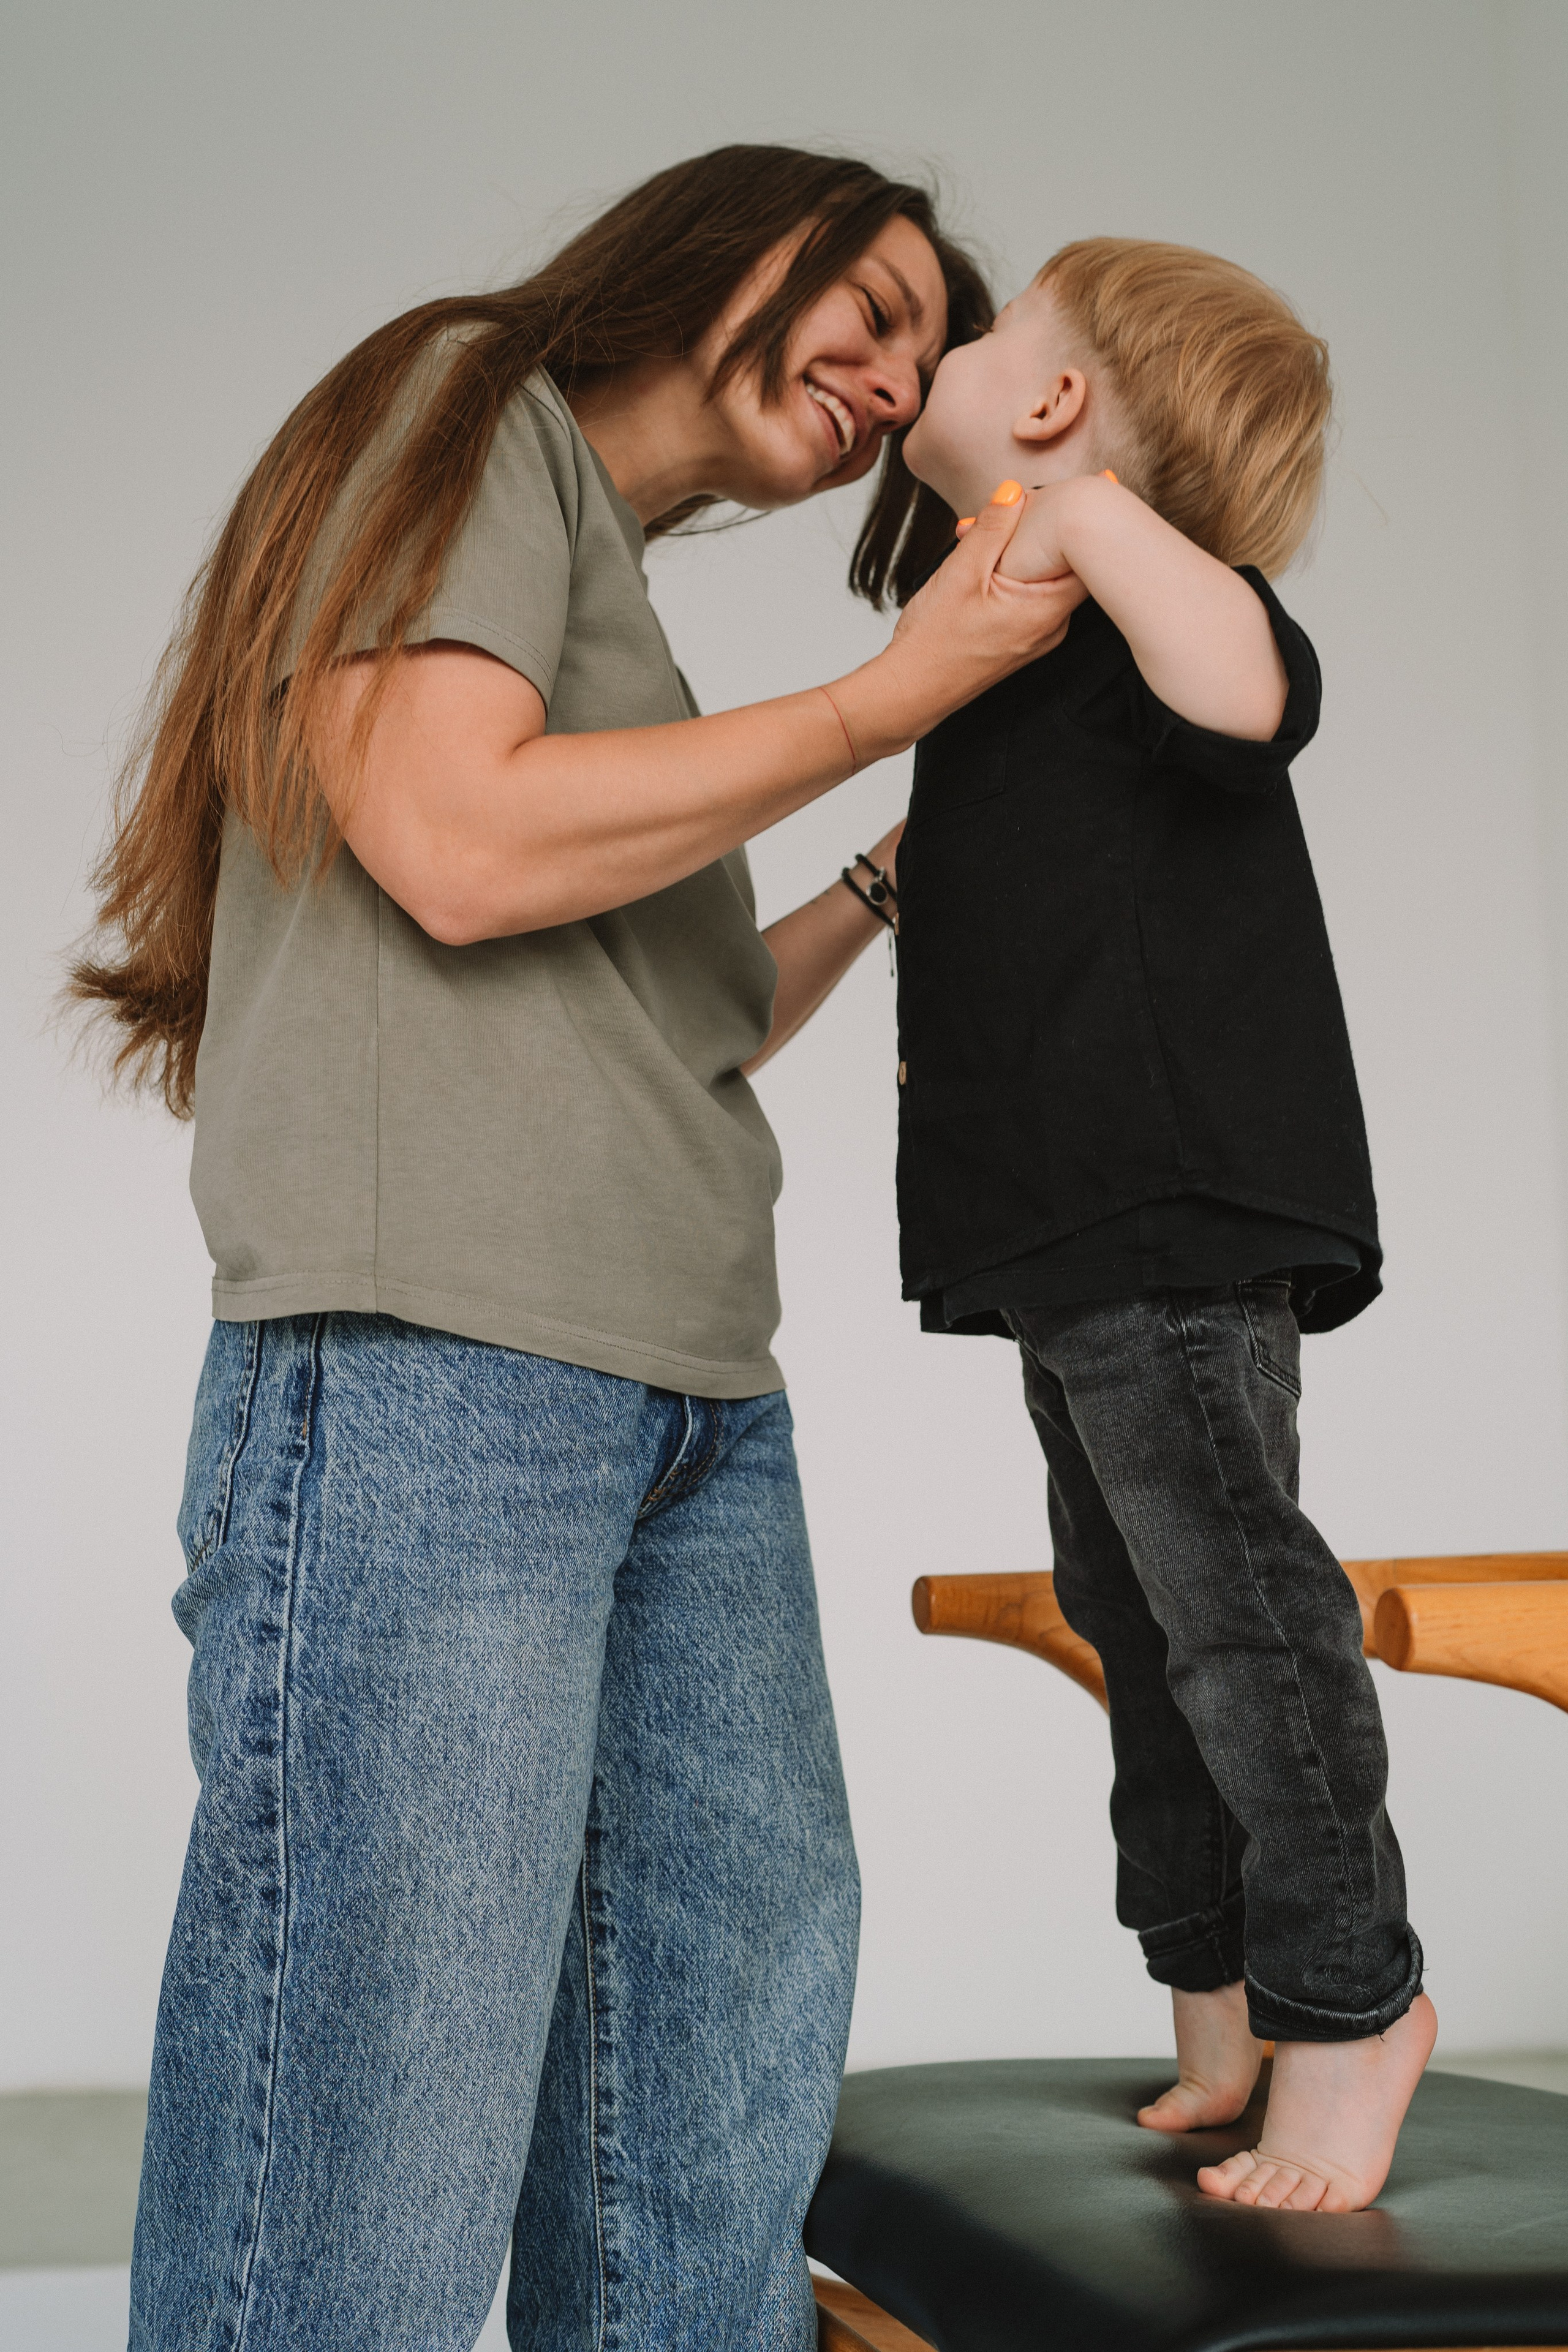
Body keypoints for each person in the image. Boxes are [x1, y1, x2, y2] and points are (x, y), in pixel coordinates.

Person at [69, 146, 1079, 2351]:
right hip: (442, 1378)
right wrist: (885, 700)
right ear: (728, 242)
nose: (901, 379)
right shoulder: (460, 406)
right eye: (877, 305)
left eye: (929, 353)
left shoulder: (611, 610)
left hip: (695, 1405)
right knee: (379, 2140)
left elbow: (687, 1021)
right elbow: (446, 841)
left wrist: (904, 871)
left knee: (708, 2118)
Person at [894, 238, 1437, 2214]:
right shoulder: (1014, 652)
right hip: (1061, 1225)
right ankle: (1212, 1989)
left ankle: (1353, 1999)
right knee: (1139, 1621)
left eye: (979, 343)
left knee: (1236, 1613)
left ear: (1053, 411)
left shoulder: (1165, 622)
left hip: (1179, 1203)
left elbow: (1246, 686)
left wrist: (1087, 503)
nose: (930, 362)